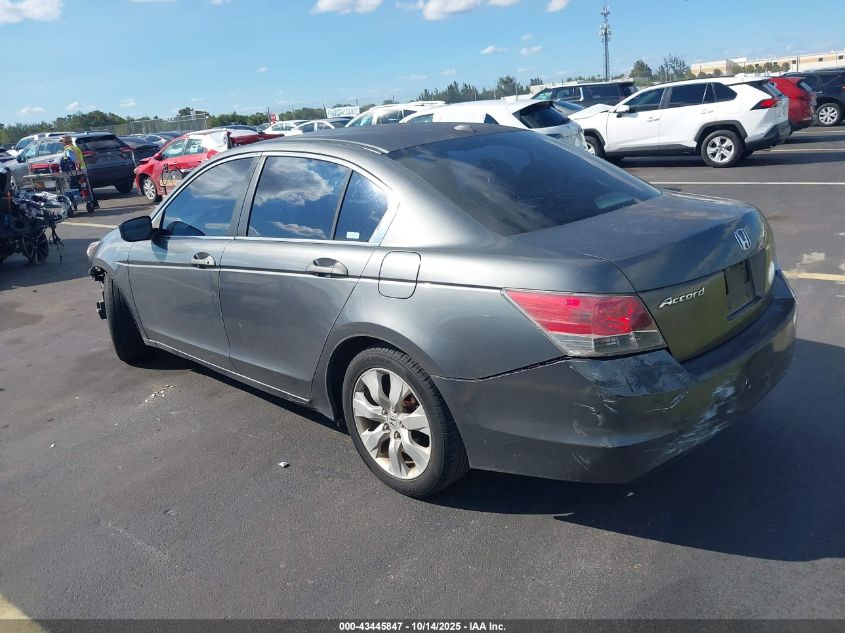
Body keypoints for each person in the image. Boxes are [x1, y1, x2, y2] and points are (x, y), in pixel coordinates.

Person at [61, 136, 98, 209]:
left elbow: (73, 159)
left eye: (62, 142)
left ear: (64, 143)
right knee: (87, 187)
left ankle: (74, 203)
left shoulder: (68, 149)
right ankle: (94, 203)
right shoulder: (75, 148)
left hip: (76, 171)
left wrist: (77, 168)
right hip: (82, 169)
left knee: (73, 186)